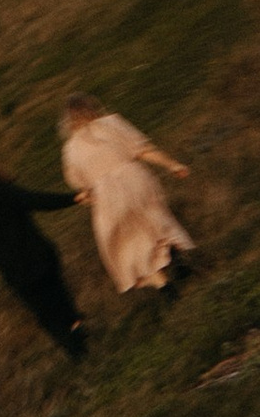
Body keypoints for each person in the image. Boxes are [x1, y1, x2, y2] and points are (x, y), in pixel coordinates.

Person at [58, 95, 195, 297]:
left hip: (106, 196)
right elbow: (142, 150)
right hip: (134, 179)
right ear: (92, 108)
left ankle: (163, 286)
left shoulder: (69, 149)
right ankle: (174, 255)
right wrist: (172, 164)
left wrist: (92, 199)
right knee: (156, 221)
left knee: (131, 244)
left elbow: (80, 186)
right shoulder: (111, 122)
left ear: (67, 120)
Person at [0, 152, 86, 360]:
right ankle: (75, 326)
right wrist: (73, 198)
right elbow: (40, 201)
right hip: (40, 257)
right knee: (59, 296)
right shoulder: (6, 192)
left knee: (44, 313)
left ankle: (74, 350)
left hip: (14, 272)